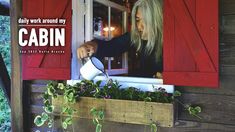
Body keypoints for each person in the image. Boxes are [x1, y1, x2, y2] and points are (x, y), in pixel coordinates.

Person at [77, 0, 163, 78]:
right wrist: (90, 46)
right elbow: (111, 47)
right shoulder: (135, 36)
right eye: (137, 20)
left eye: (146, 21)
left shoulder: (170, 41)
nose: (139, 26)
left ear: (157, 20)